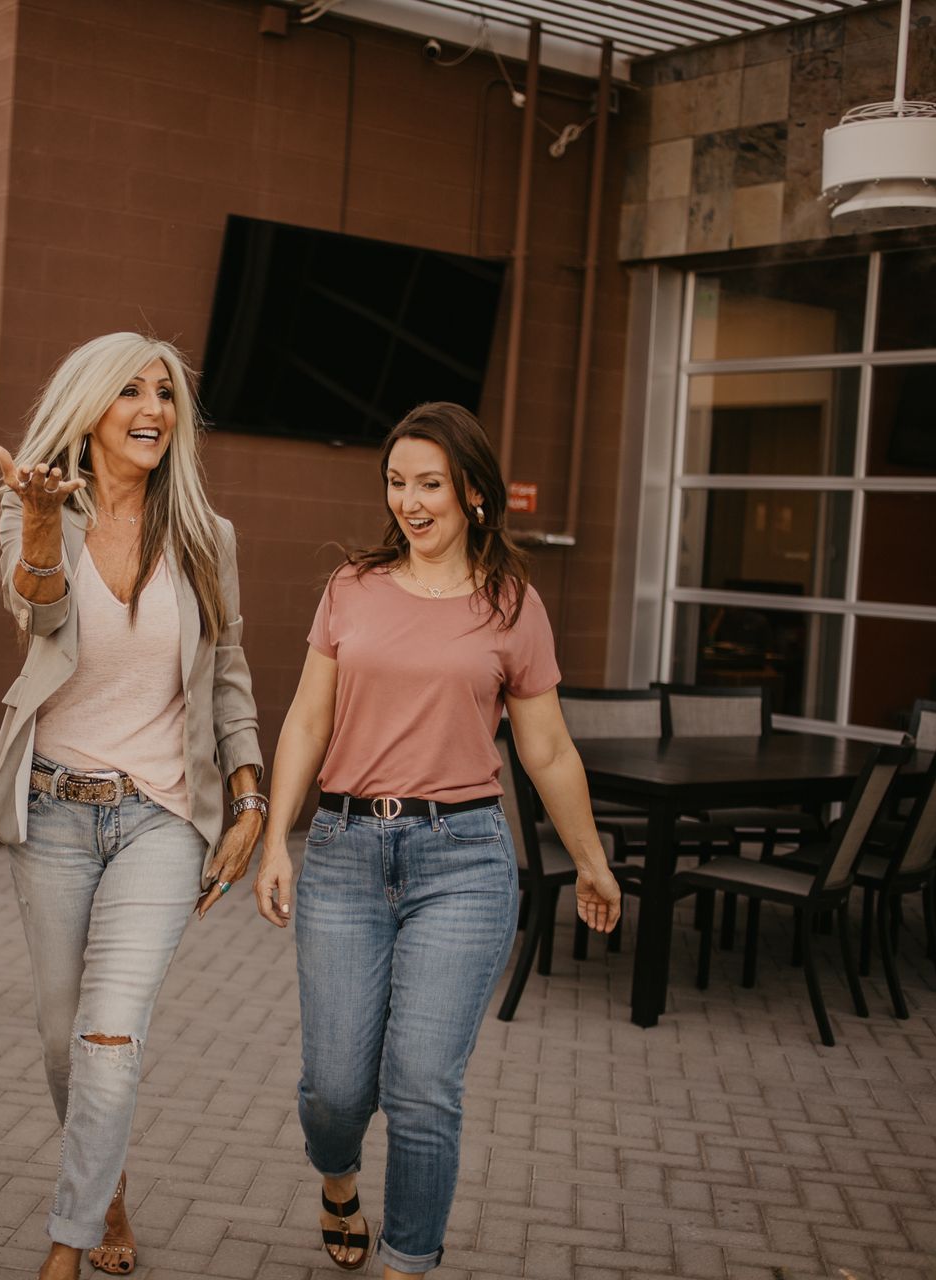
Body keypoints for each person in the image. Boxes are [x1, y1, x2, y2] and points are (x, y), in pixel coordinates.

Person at [254, 402, 621, 1277]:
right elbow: (308, 719)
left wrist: (594, 863)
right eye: (397, 483)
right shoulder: (351, 587)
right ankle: (337, 1179)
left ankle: (408, 1261)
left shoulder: (510, 606)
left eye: (430, 485)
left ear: (474, 496)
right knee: (338, 1088)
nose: (410, 502)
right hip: (343, 852)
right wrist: (277, 838)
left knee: (422, 1087)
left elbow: (547, 749)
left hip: (462, 862)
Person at [0, 333, 264, 1280]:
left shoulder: (205, 536)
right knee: (65, 1040)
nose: (154, 409)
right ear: (91, 409)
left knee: (109, 1035)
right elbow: (39, 613)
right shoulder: (32, 509)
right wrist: (49, 526)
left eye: (167, 394)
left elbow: (227, 677)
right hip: (54, 810)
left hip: (160, 819)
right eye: (132, 391)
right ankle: (111, 1183)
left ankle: (70, 1236)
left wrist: (251, 792)